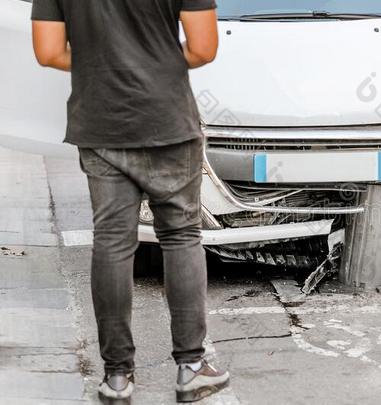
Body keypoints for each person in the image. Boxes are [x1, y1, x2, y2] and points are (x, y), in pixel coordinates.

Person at [31, 0, 227, 403]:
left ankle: (117, 377)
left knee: (112, 243)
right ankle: (191, 367)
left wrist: (98, 66)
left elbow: (48, 51)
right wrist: (154, 62)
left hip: (100, 123)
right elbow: (204, 47)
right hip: (167, 121)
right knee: (181, 237)